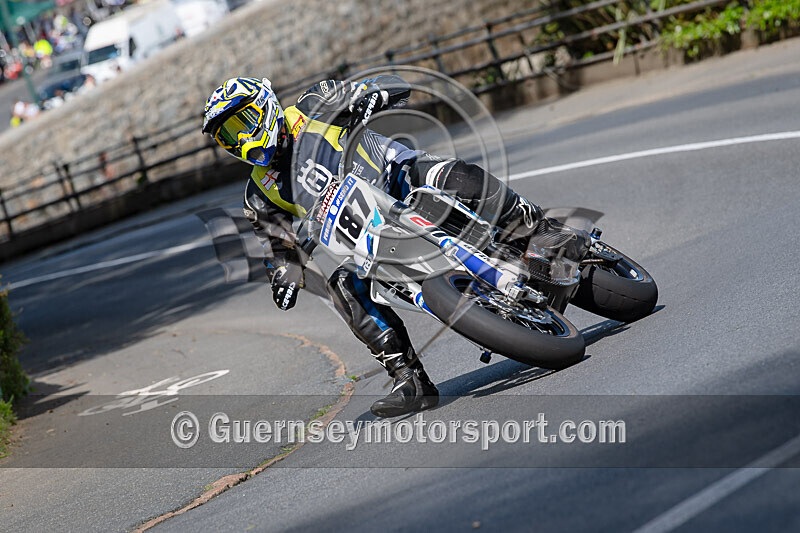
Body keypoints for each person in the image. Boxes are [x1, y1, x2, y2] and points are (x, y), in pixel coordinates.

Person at [202, 76, 545, 417]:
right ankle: (408, 379)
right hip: (367, 238)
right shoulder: (258, 194)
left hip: (398, 177)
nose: (241, 139)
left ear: (265, 107)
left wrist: (373, 95)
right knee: (343, 286)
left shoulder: (312, 107)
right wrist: (284, 272)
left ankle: (543, 233)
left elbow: (387, 83)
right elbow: (277, 245)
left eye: (241, 123)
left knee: (451, 175)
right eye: (227, 136)